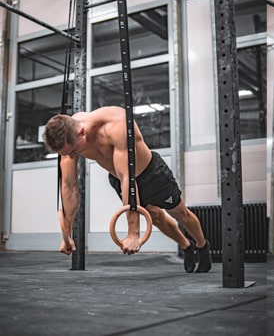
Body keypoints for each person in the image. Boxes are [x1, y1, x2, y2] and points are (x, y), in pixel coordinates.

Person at [44, 106, 212, 273]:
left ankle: (202, 246)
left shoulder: (116, 125)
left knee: (180, 213)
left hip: (151, 174)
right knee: (157, 218)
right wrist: (67, 234)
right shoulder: (69, 140)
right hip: (118, 178)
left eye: (73, 152)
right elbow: (69, 187)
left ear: (82, 132)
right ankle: (186, 246)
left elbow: (128, 178)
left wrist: (133, 233)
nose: (72, 157)